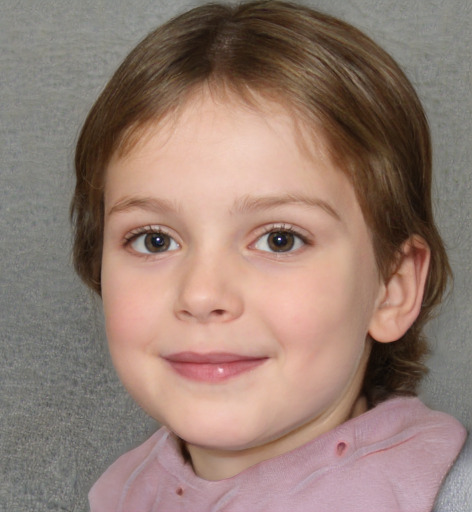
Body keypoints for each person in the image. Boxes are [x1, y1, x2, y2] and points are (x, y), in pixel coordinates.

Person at [71, 1, 466, 510]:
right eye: (155, 240)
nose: (202, 294)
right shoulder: (120, 492)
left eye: (280, 239)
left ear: (392, 287)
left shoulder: (444, 492)